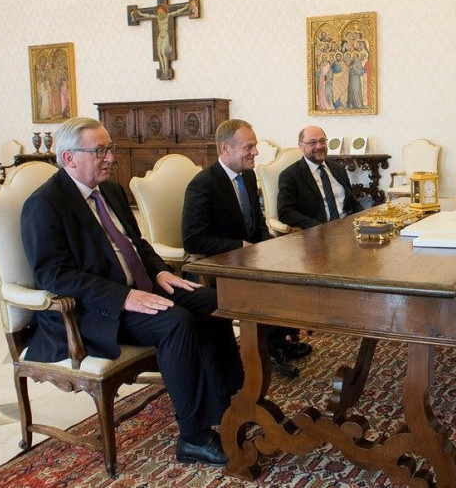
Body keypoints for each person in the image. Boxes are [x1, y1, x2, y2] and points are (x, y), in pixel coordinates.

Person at [21, 117, 243, 467]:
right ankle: (194, 437)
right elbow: (54, 274)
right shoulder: (45, 204)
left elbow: (136, 242)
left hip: (140, 289)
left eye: (109, 149)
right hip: (95, 311)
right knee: (176, 322)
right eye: (100, 151)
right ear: (69, 158)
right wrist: (123, 297)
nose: (110, 158)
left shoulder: (109, 190)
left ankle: (230, 404)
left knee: (215, 302)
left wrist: (159, 271)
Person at [182, 119, 312, 378]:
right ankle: (268, 349)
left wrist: (270, 244)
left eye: (254, 146)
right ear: (225, 148)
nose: (256, 152)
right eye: (248, 147)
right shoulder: (203, 184)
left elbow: (256, 222)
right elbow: (193, 240)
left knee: (294, 268)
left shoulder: (248, 176)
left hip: (250, 257)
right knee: (270, 285)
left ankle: (280, 339)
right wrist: (241, 246)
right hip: (222, 266)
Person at [277, 125, 361, 230]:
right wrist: (318, 227)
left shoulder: (338, 168)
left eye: (322, 141)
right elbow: (285, 213)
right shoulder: (290, 175)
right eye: (312, 142)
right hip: (318, 232)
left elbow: (352, 202)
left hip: (349, 227)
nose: (319, 146)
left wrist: (365, 218)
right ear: (301, 146)